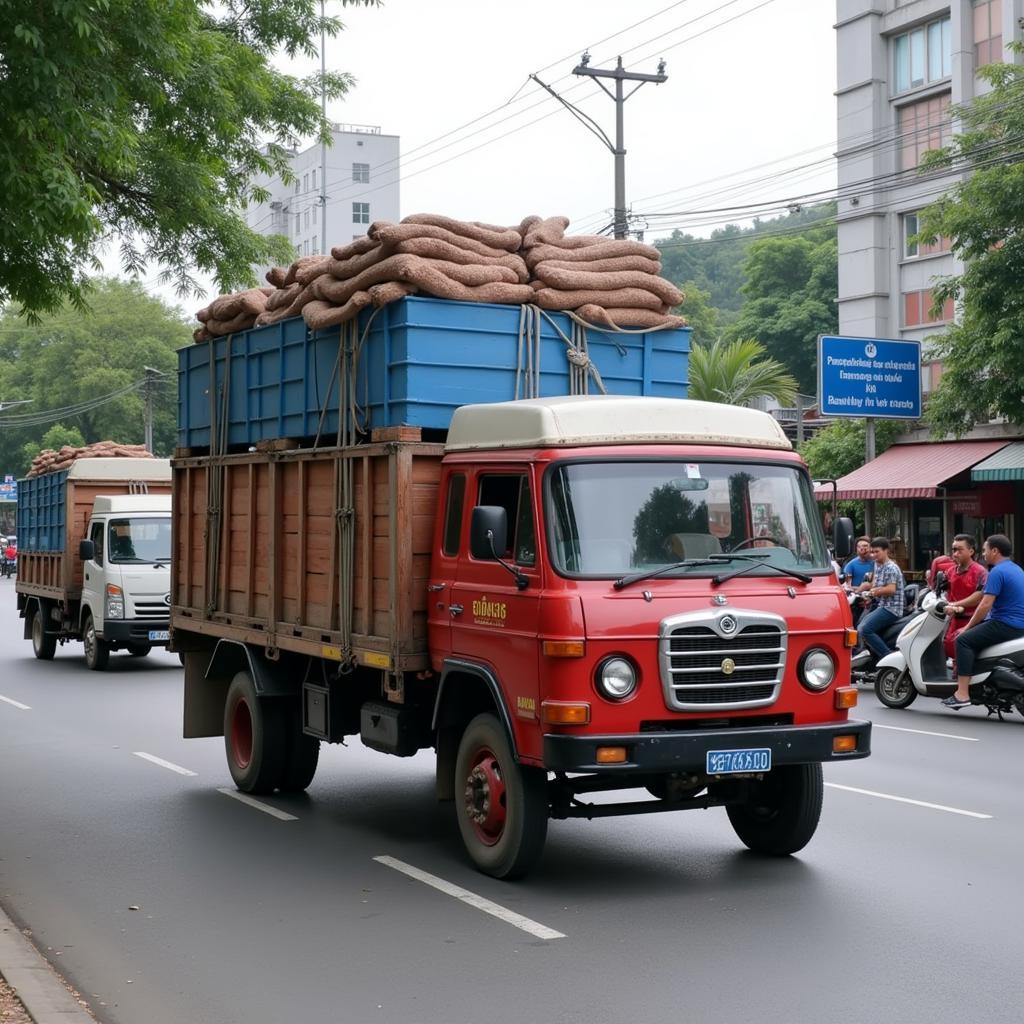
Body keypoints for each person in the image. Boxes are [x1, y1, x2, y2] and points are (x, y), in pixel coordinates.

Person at [944, 534, 1024, 709]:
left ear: (994, 551)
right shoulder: (1016, 569)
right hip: (1018, 625)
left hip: (1005, 623)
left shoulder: (997, 571)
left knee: (963, 640)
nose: (983, 553)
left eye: (985, 550)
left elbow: (985, 604)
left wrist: (966, 627)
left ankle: (962, 694)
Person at [941, 534, 987, 670]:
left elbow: (979, 596)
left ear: (971, 551)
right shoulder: (949, 572)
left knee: (962, 648)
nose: (955, 553)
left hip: (973, 619)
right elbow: (942, 593)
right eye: (954, 550)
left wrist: (955, 604)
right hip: (954, 618)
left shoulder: (980, 572)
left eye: (959, 550)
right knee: (948, 645)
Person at [856, 537, 906, 660]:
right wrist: (868, 594)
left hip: (891, 608)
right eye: (872, 552)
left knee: (865, 629)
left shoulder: (891, 567)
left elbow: (890, 589)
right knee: (859, 626)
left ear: (886, 551)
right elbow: (875, 585)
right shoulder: (878, 565)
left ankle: (888, 657)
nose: (873, 555)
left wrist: (873, 593)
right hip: (881, 605)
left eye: (877, 552)